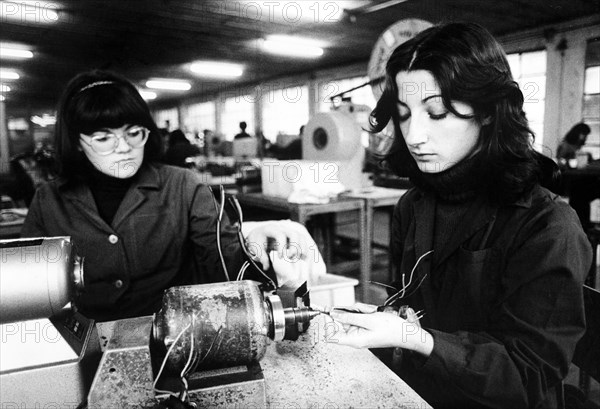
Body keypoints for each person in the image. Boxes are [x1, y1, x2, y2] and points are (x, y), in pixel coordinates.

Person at [324, 23, 592, 409]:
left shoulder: (548, 226)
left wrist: (415, 338)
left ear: (487, 111)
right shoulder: (413, 206)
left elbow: (528, 377)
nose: (414, 135)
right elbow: (413, 311)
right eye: (403, 114)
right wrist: (387, 320)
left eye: (437, 112)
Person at [20, 70, 314, 322]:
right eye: (104, 138)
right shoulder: (49, 201)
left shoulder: (183, 186)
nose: (123, 147)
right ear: (77, 143)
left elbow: (225, 263)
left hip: (176, 336)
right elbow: (29, 289)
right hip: (85, 347)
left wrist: (255, 243)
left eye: (133, 133)